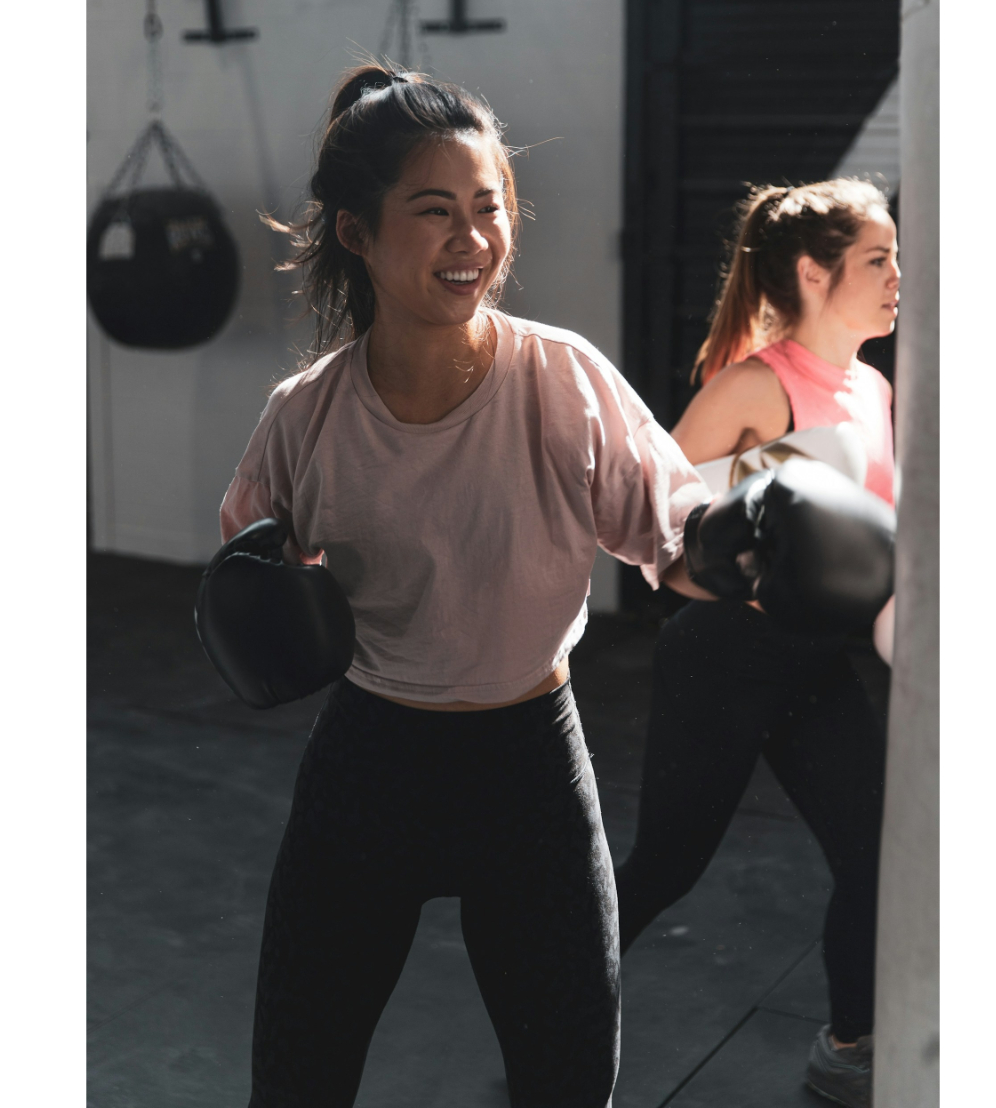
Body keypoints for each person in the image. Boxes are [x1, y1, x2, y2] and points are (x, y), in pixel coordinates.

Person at [216, 65, 714, 1107]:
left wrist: (748, 548)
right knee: (294, 1080)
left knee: (570, 1083)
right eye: (434, 211)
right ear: (357, 231)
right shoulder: (304, 416)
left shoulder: (561, 378)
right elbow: (246, 569)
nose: (472, 239)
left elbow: (674, 528)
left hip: (529, 765)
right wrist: (264, 603)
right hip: (370, 763)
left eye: (489, 209)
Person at [614, 178, 901, 1107]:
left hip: (819, 660)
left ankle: (848, 1049)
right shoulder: (750, 385)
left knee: (876, 856)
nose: (900, 276)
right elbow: (661, 543)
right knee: (668, 865)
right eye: (877, 259)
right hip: (726, 657)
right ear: (815, 273)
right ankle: (546, 986)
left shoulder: (872, 387)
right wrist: (748, 558)